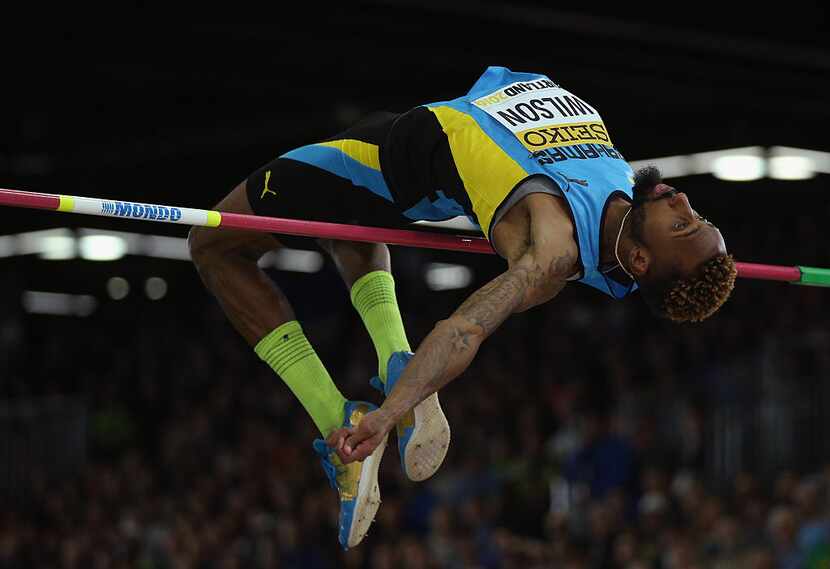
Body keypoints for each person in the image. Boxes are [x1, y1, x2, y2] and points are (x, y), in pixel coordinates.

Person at [187, 65, 736, 548]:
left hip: (392, 159)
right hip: (414, 150)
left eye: (682, 224)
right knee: (352, 222)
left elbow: (465, 330)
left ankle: (340, 419)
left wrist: (388, 415)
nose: (681, 199)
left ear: (641, 261)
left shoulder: (550, 249)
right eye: (697, 216)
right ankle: (394, 360)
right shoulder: (623, 209)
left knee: (213, 245)